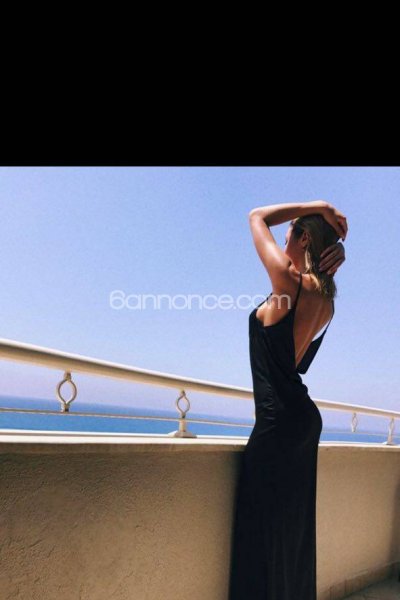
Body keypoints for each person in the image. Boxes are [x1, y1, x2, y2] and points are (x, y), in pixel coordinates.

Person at [228, 200, 348, 600]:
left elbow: (255, 216)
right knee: (292, 532)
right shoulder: (326, 302)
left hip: (278, 423)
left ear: (304, 238)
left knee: (259, 531)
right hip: (303, 421)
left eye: (289, 234)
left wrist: (320, 206)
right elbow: (294, 361)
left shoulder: (288, 283)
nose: (282, 241)